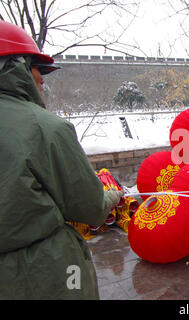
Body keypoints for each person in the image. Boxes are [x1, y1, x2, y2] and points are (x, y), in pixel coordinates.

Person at [0, 20, 123, 299]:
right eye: (37, 68)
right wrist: (112, 196)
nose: (43, 79)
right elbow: (89, 208)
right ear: (15, 67)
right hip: (46, 273)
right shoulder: (46, 129)